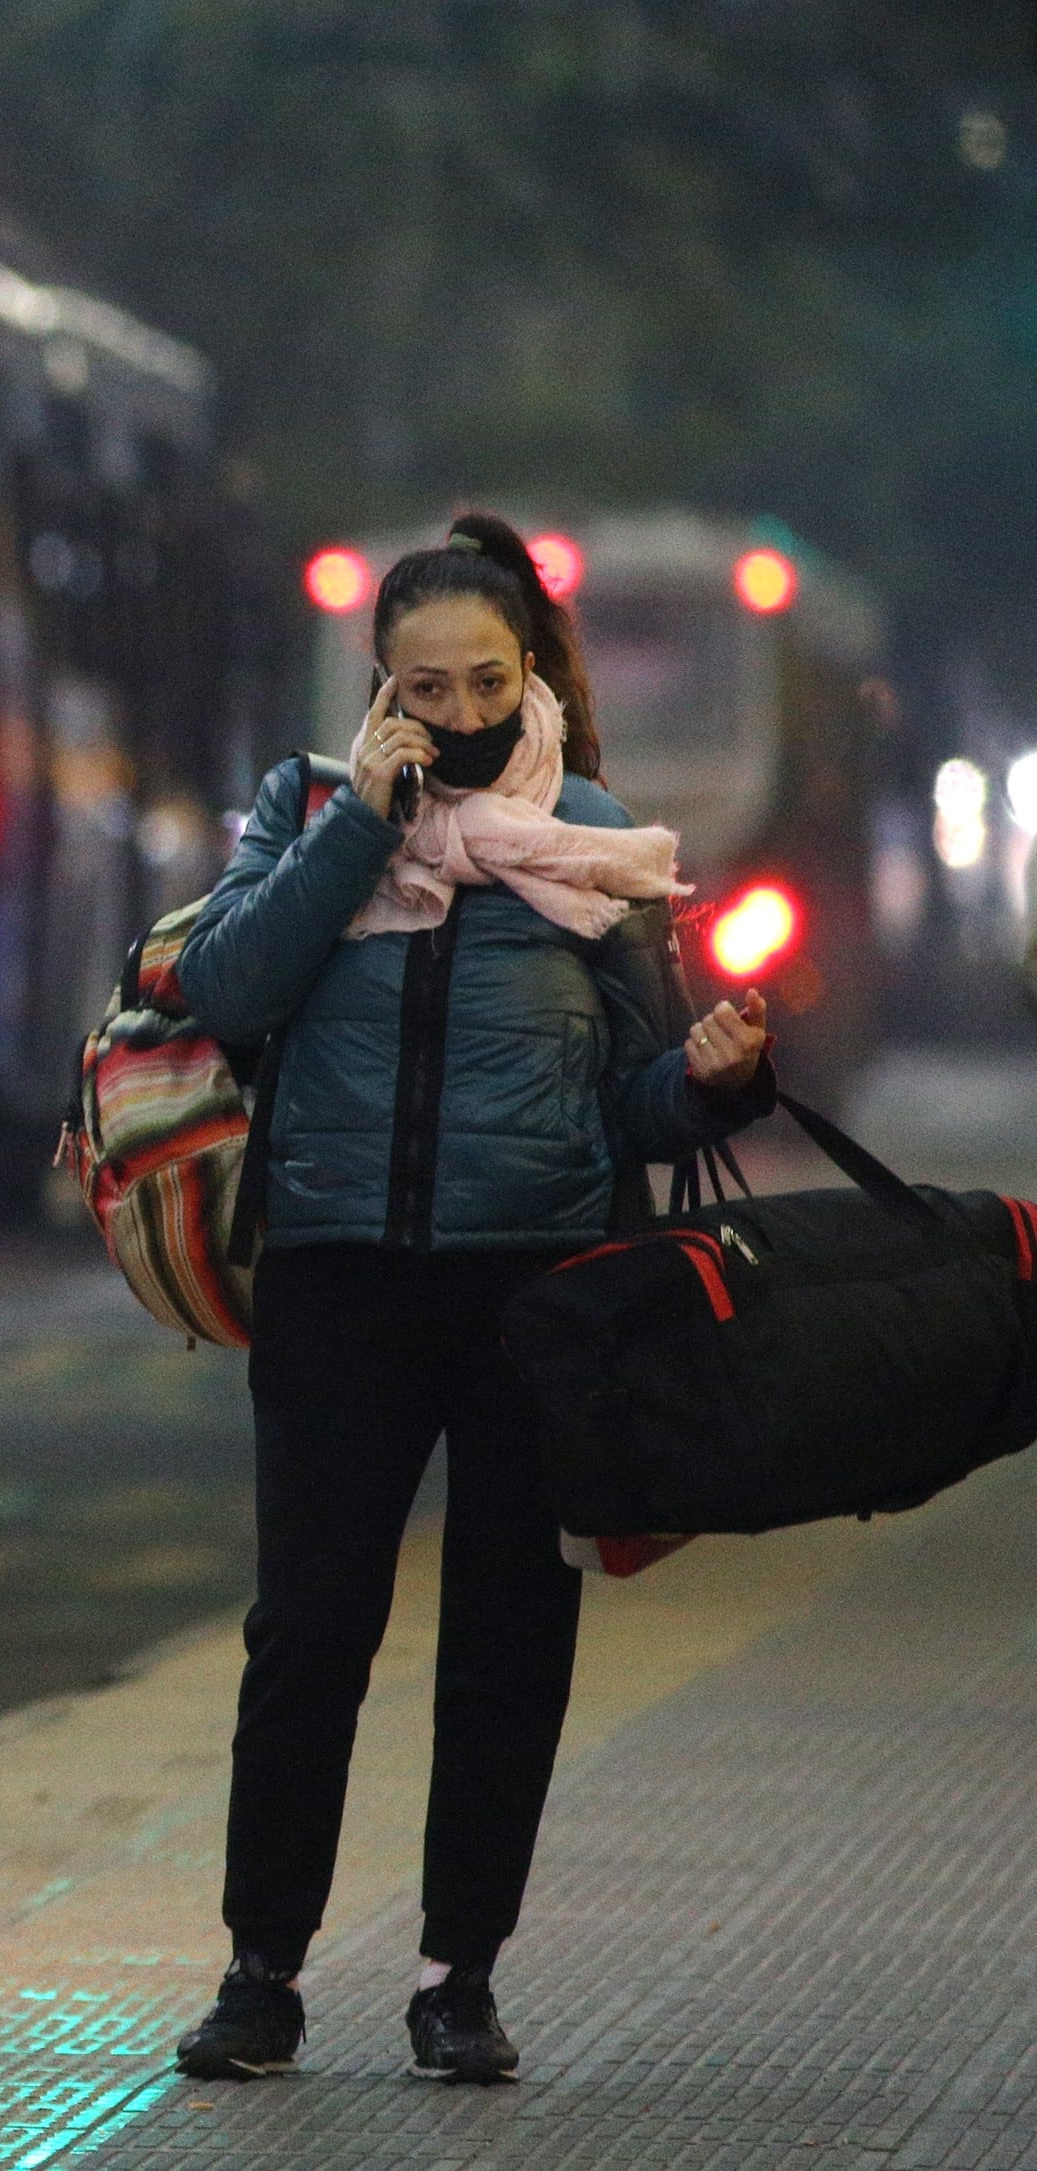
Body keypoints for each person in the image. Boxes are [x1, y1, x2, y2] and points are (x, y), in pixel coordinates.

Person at [166, 513, 775, 2086]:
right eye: (418, 687)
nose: (452, 712)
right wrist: (355, 833)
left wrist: (713, 1083)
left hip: (533, 1290)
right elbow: (223, 990)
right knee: (309, 1628)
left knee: (508, 1638)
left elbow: (632, 1099)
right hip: (335, 1280)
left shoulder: (595, 839)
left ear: (529, 674)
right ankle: (260, 1970)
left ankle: (459, 1976)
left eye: (480, 680)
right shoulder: (305, 808)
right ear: (377, 690)